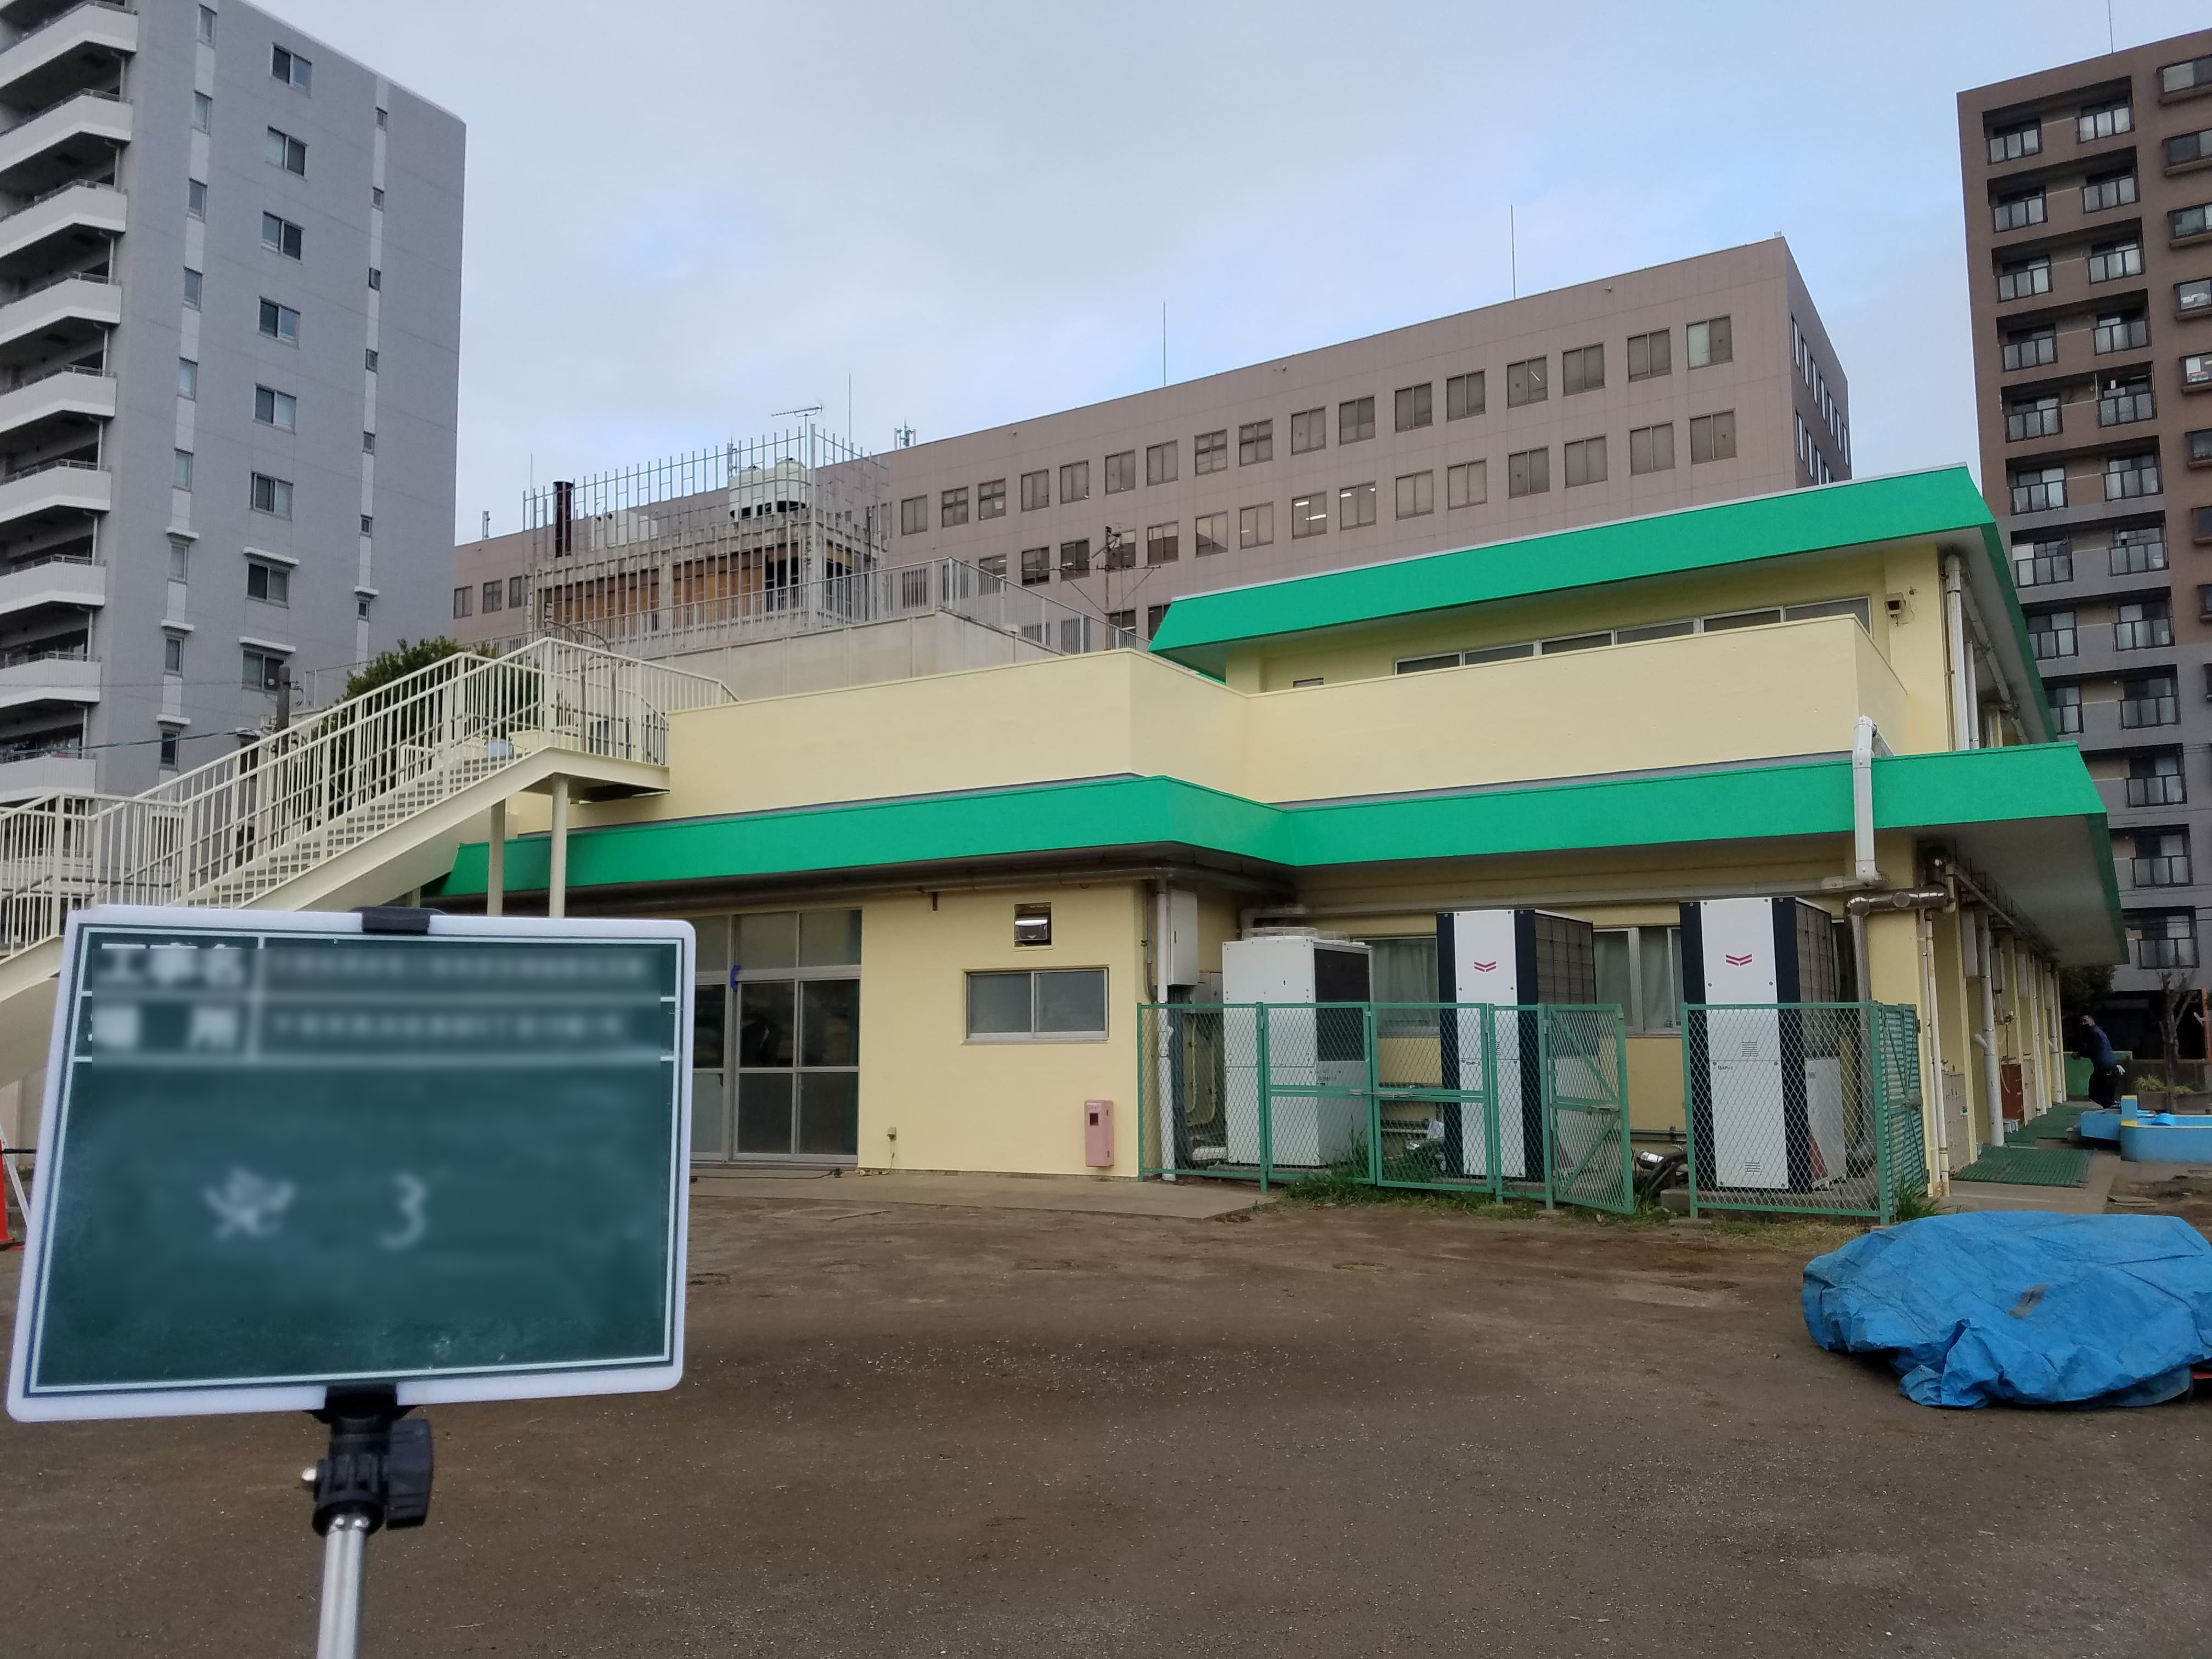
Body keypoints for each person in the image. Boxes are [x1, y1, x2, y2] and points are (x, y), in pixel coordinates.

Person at [2078, 1013, 2119, 1107]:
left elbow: (2092, 1050)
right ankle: (2110, 1105)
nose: (2083, 1024)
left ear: (2092, 1022)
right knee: (2105, 1096)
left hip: (2104, 1069)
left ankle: (2109, 1106)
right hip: (2109, 1069)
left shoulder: (2094, 1034)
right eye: (2081, 1022)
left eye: (2085, 1021)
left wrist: (2079, 1054)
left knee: (2095, 1093)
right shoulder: (2099, 1032)